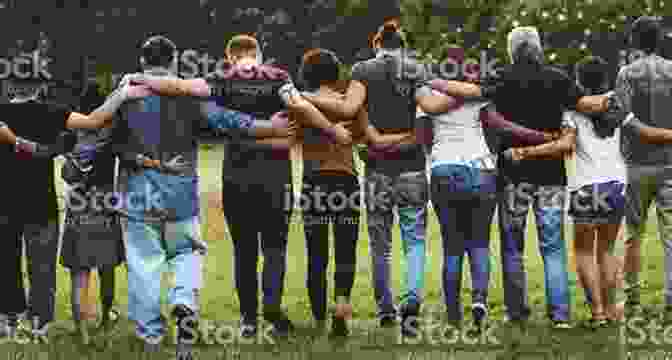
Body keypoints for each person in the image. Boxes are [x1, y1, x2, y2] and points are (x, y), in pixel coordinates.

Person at [127, 34, 338, 339]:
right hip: (275, 177)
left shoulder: (221, 78)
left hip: (237, 177)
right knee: (275, 249)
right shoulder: (278, 77)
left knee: (244, 251)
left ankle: (248, 320)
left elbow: (181, 87)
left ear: (230, 57)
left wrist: (139, 77)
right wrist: (331, 129)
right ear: (259, 54)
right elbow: (300, 105)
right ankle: (272, 309)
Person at [429, 26, 615, 330]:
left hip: (513, 175)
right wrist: (614, 97)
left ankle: (517, 312)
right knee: (552, 247)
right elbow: (588, 105)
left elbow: (468, 92)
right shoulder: (557, 78)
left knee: (513, 247)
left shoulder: (502, 76)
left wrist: (432, 81)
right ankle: (560, 316)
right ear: (539, 48)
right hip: (552, 176)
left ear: (512, 49)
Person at [298, 22, 447, 336]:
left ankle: (385, 311)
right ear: (403, 45)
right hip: (412, 168)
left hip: (377, 170)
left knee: (381, 246)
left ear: (377, 43)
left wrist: (299, 97)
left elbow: (350, 108)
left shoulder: (363, 70)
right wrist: (471, 93)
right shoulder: (415, 69)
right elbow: (432, 107)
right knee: (415, 240)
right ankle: (412, 300)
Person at [0, 50, 146, 340]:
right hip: (40, 204)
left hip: (4, 204)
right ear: (41, 85)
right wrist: (121, 93)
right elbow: (94, 121)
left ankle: (7, 320)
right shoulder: (53, 112)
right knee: (41, 268)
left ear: (10, 84)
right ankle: (40, 322)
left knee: (5, 262)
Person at [417, 54, 562, 332]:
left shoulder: (428, 94)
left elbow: (424, 138)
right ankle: (480, 302)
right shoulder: (478, 94)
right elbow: (500, 126)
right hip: (481, 171)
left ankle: (454, 316)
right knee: (480, 243)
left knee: (452, 247)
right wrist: (541, 136)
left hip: (444, 170)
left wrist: (436, 157)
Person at [612, 16, 672, 320]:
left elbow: (623, 121)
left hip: (636, 164)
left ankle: (632, 299)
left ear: (635, 41)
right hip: (670, 163)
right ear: (660, 39)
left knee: (633, 234)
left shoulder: (626, 73)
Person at [60, 126, 124, 344]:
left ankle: (82, 332)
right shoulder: (111, 140)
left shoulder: (70, 139)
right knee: (107, 268)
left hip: (78, 209)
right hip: (104, 207)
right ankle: (106, 316)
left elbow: (66, 175)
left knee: (79, 275)